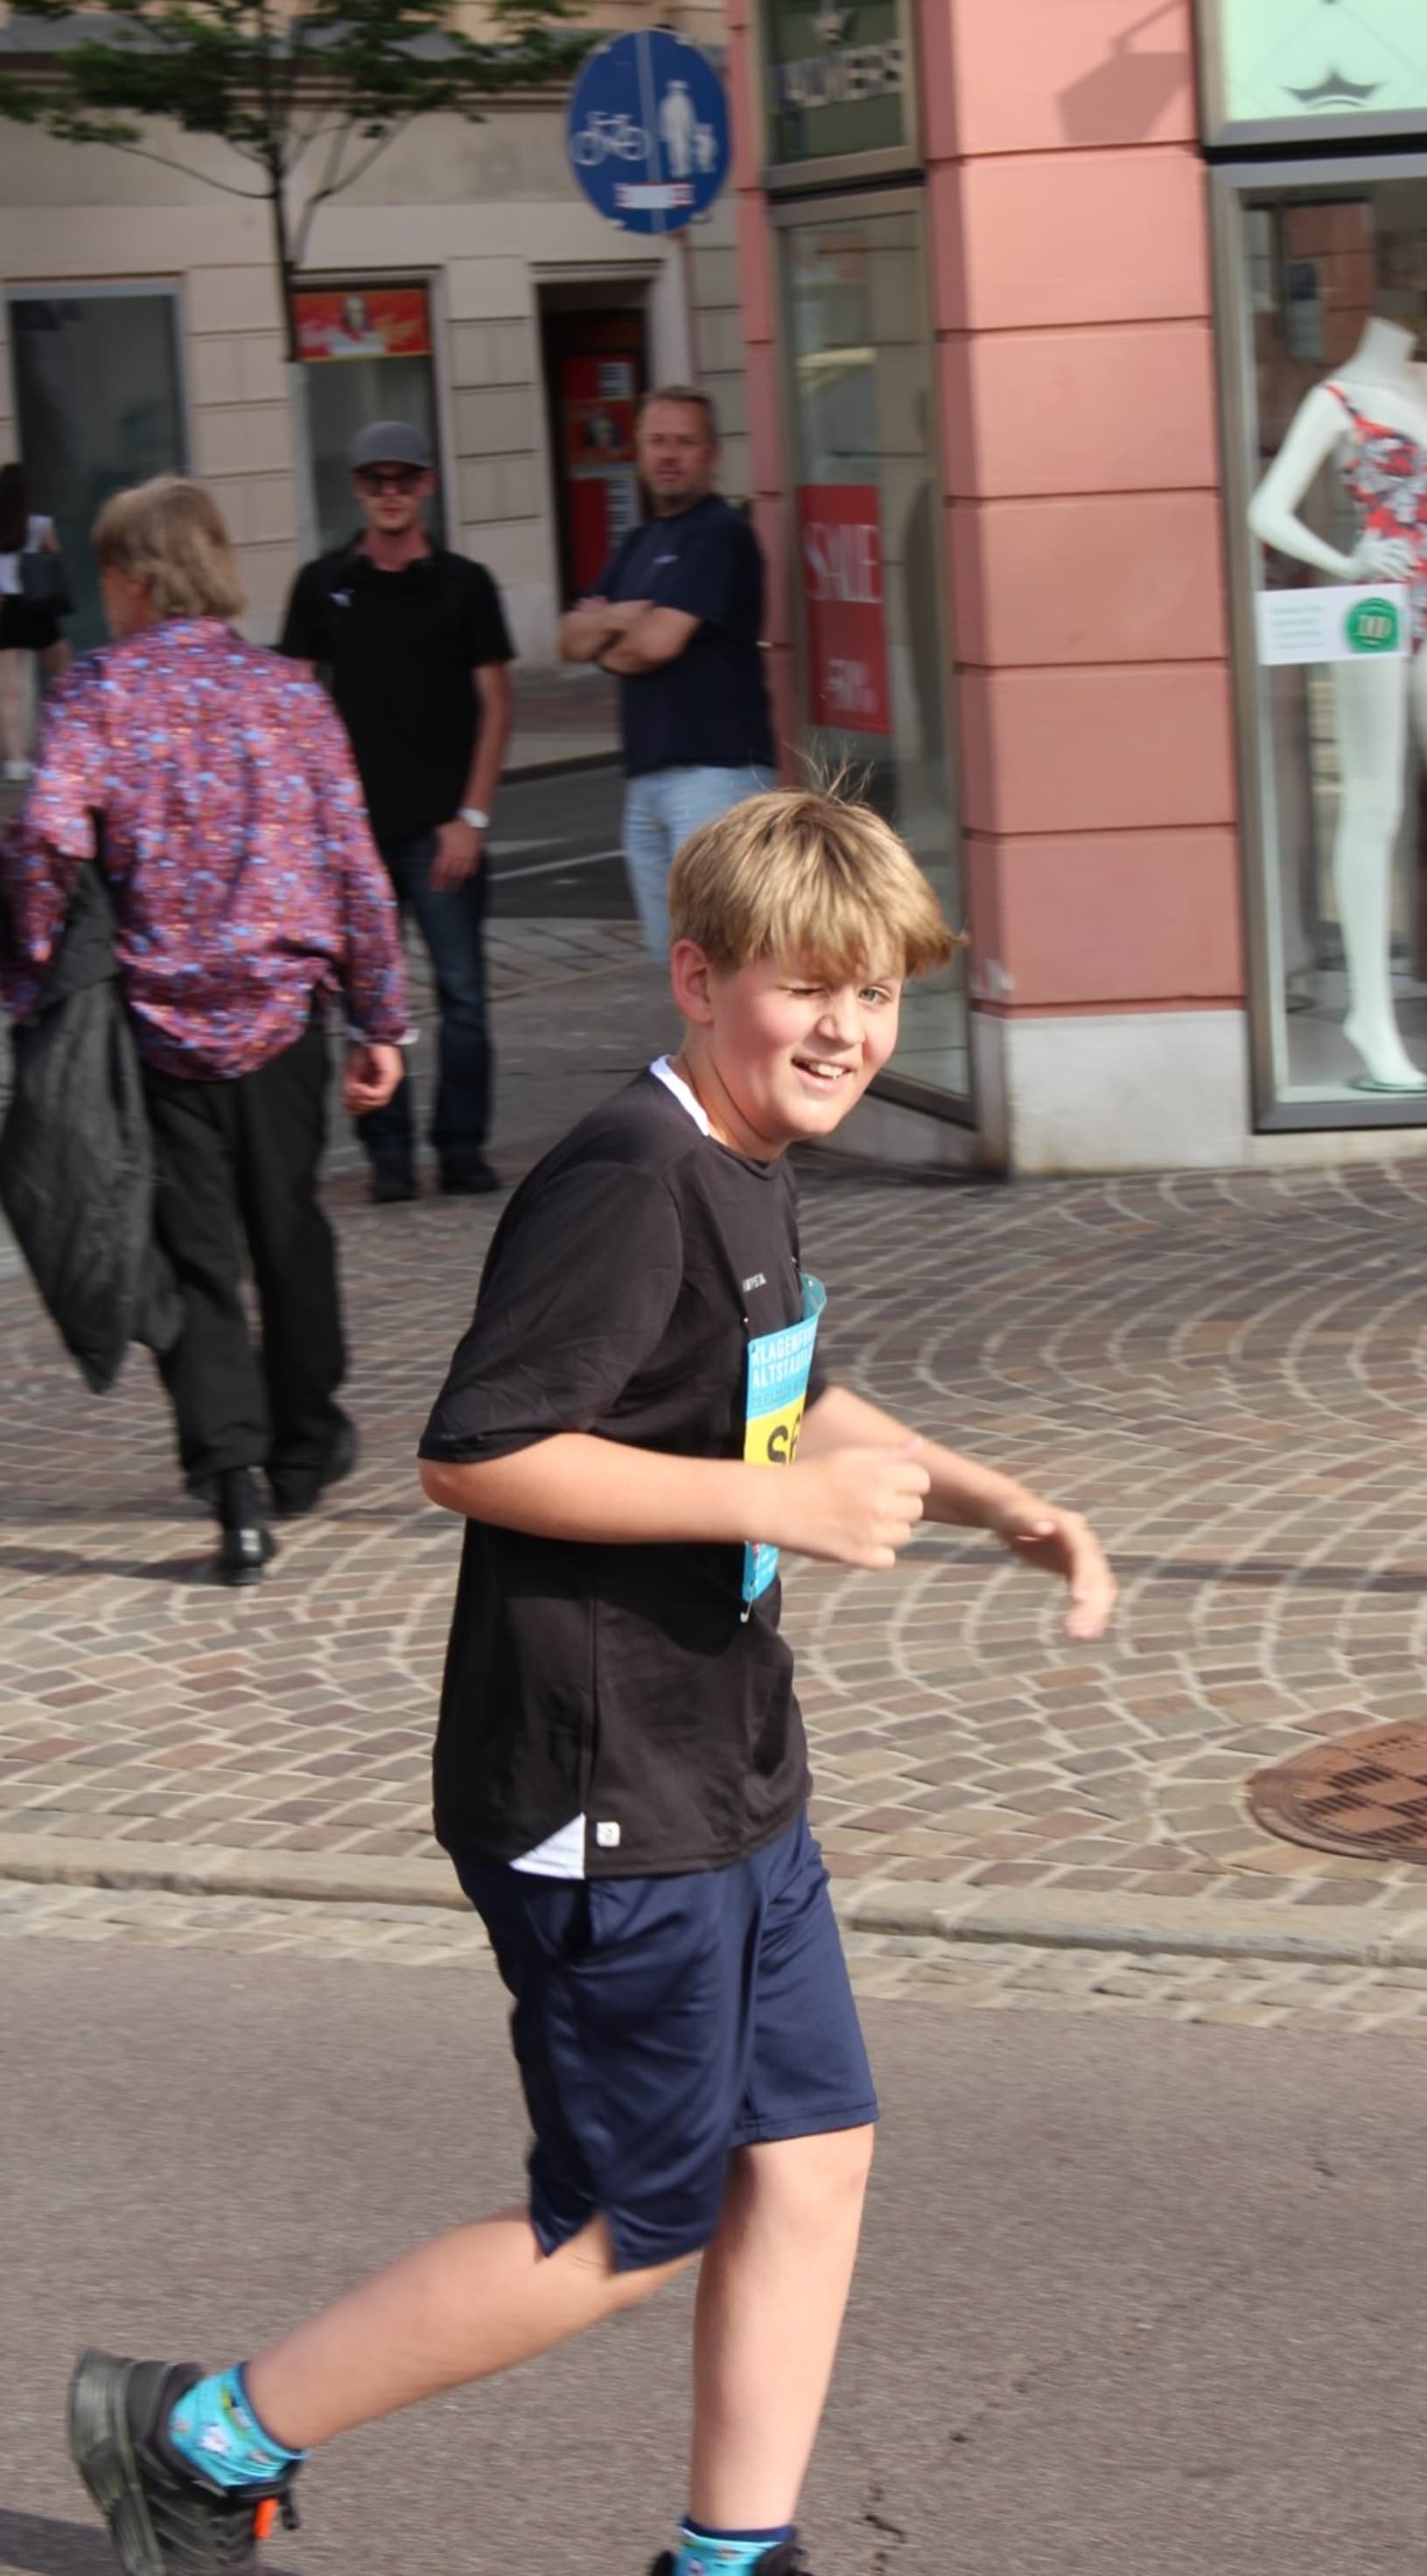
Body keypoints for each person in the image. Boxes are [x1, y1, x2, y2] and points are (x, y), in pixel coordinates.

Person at [65, 785, 1117, 2576]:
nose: (847, 1031)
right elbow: (478, 1451)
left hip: (724, 1764)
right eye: (807, 988)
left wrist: (986, 1495)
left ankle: (733, 2557)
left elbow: (771, 1385)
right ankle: (200, 2441)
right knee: (626, 2223)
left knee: (812, 2155)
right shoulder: (633, 1179)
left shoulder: (744, 1161)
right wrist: (772, 1504)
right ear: (698, 978)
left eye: (875, 994)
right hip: (600, 1789)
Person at [0, 477, 407, 1581]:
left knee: (194, 1257)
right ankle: (306, 1448)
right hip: (281, 1017)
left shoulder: (98, 692)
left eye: (108, 572)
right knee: (289, 1230)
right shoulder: (288, 694)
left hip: (156, 1024)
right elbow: (354, 867)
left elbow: (48, 836)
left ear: (137, 577)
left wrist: (33, 965)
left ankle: (233, 1488)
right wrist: (379, 1019)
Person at [281, 419, 514, 1203]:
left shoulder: (465, 584)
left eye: (404, 478)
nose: (390, 492)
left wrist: (471, 818)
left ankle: (461, 1149)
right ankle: (388, 1154)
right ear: (356, 487)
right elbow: (292, 708)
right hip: (355, 840)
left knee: (463, 998)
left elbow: (497, 705)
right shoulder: (322, 584)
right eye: (376, 479)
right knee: (368, 1004)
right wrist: (316, 824)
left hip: (443, 831)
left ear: (426, 485)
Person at [560, 387, 777, 959]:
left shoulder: (720, 533)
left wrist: (610, 638)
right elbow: (568, 638)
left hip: (717, 774)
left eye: (685, 442)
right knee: (677, 967)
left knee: (723, 959)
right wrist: (621, 618)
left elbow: (657, 644)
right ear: (638, 451)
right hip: (647, 783)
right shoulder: (640, 541)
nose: (669, 455)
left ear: (712, 453)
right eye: (657, 441)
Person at [0, 460, 73, 780]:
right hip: (37, 607)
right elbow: (54, 558)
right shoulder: (41, 524)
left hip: (6, 609)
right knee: (67, 676)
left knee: (8, 690)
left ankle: (16, 761)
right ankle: (70, 743)